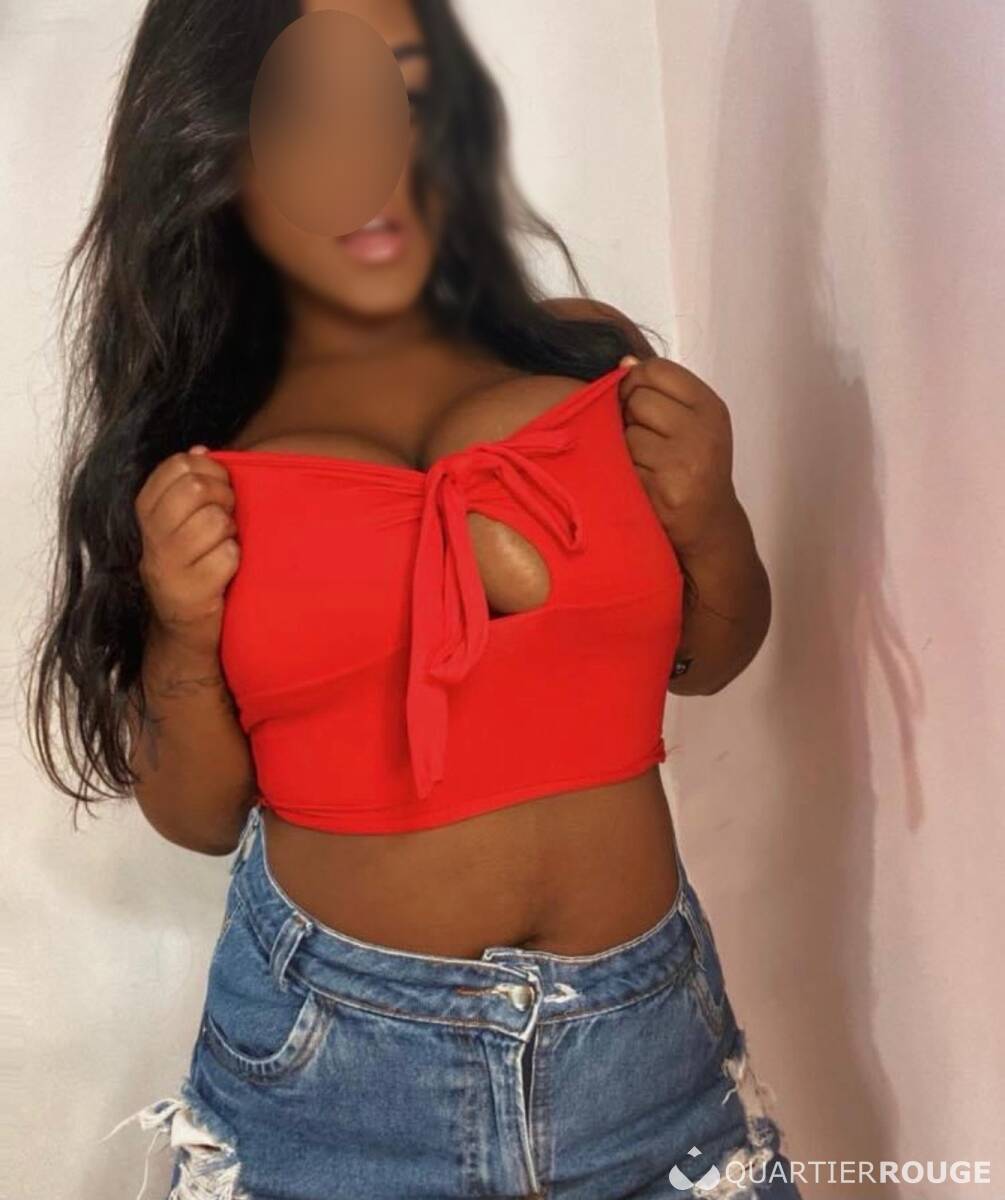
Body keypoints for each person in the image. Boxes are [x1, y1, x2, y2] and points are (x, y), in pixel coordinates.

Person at [29, 1, 803, 1196]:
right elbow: (198, 815)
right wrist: (181, 629)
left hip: (648, 1057)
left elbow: (711, 656)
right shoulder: (199, 451)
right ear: (217, 148)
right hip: (334, 1080)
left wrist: (711, 511)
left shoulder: (585, 359)